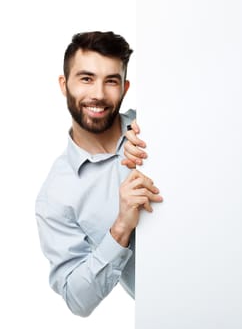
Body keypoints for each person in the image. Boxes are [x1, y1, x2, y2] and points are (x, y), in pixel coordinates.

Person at [35, 31, 163, 317]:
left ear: (125, 88)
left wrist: (161, 143)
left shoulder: (155, 125)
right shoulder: (55, 195)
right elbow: (77, 300)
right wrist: (120, 228)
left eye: (111, 81)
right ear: (63, 84)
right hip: (170, 316)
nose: (99, 95)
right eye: (86, 78)